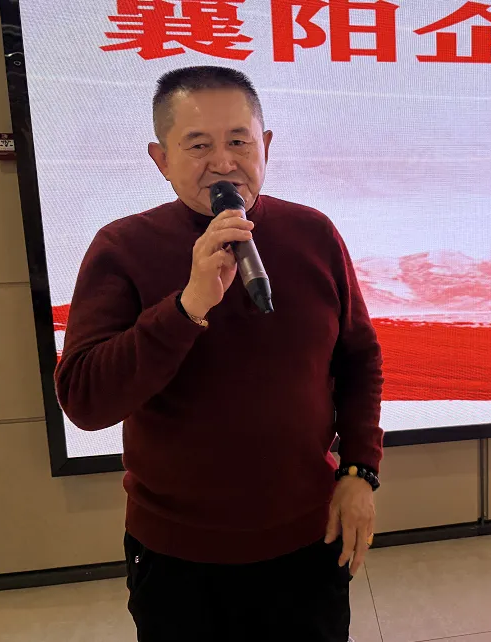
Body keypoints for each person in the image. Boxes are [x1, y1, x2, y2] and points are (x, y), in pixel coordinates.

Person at [54, 66, 384, 642]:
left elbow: (359, 359)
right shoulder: (122, 248)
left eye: (239, 141)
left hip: (307, 541)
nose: (224, 162)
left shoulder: (313, 234)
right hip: (178, 557)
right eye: (198, 145)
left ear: (266, 145)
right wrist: (187, 306)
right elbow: (85, 399)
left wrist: (360, 471)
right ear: (161, 159)